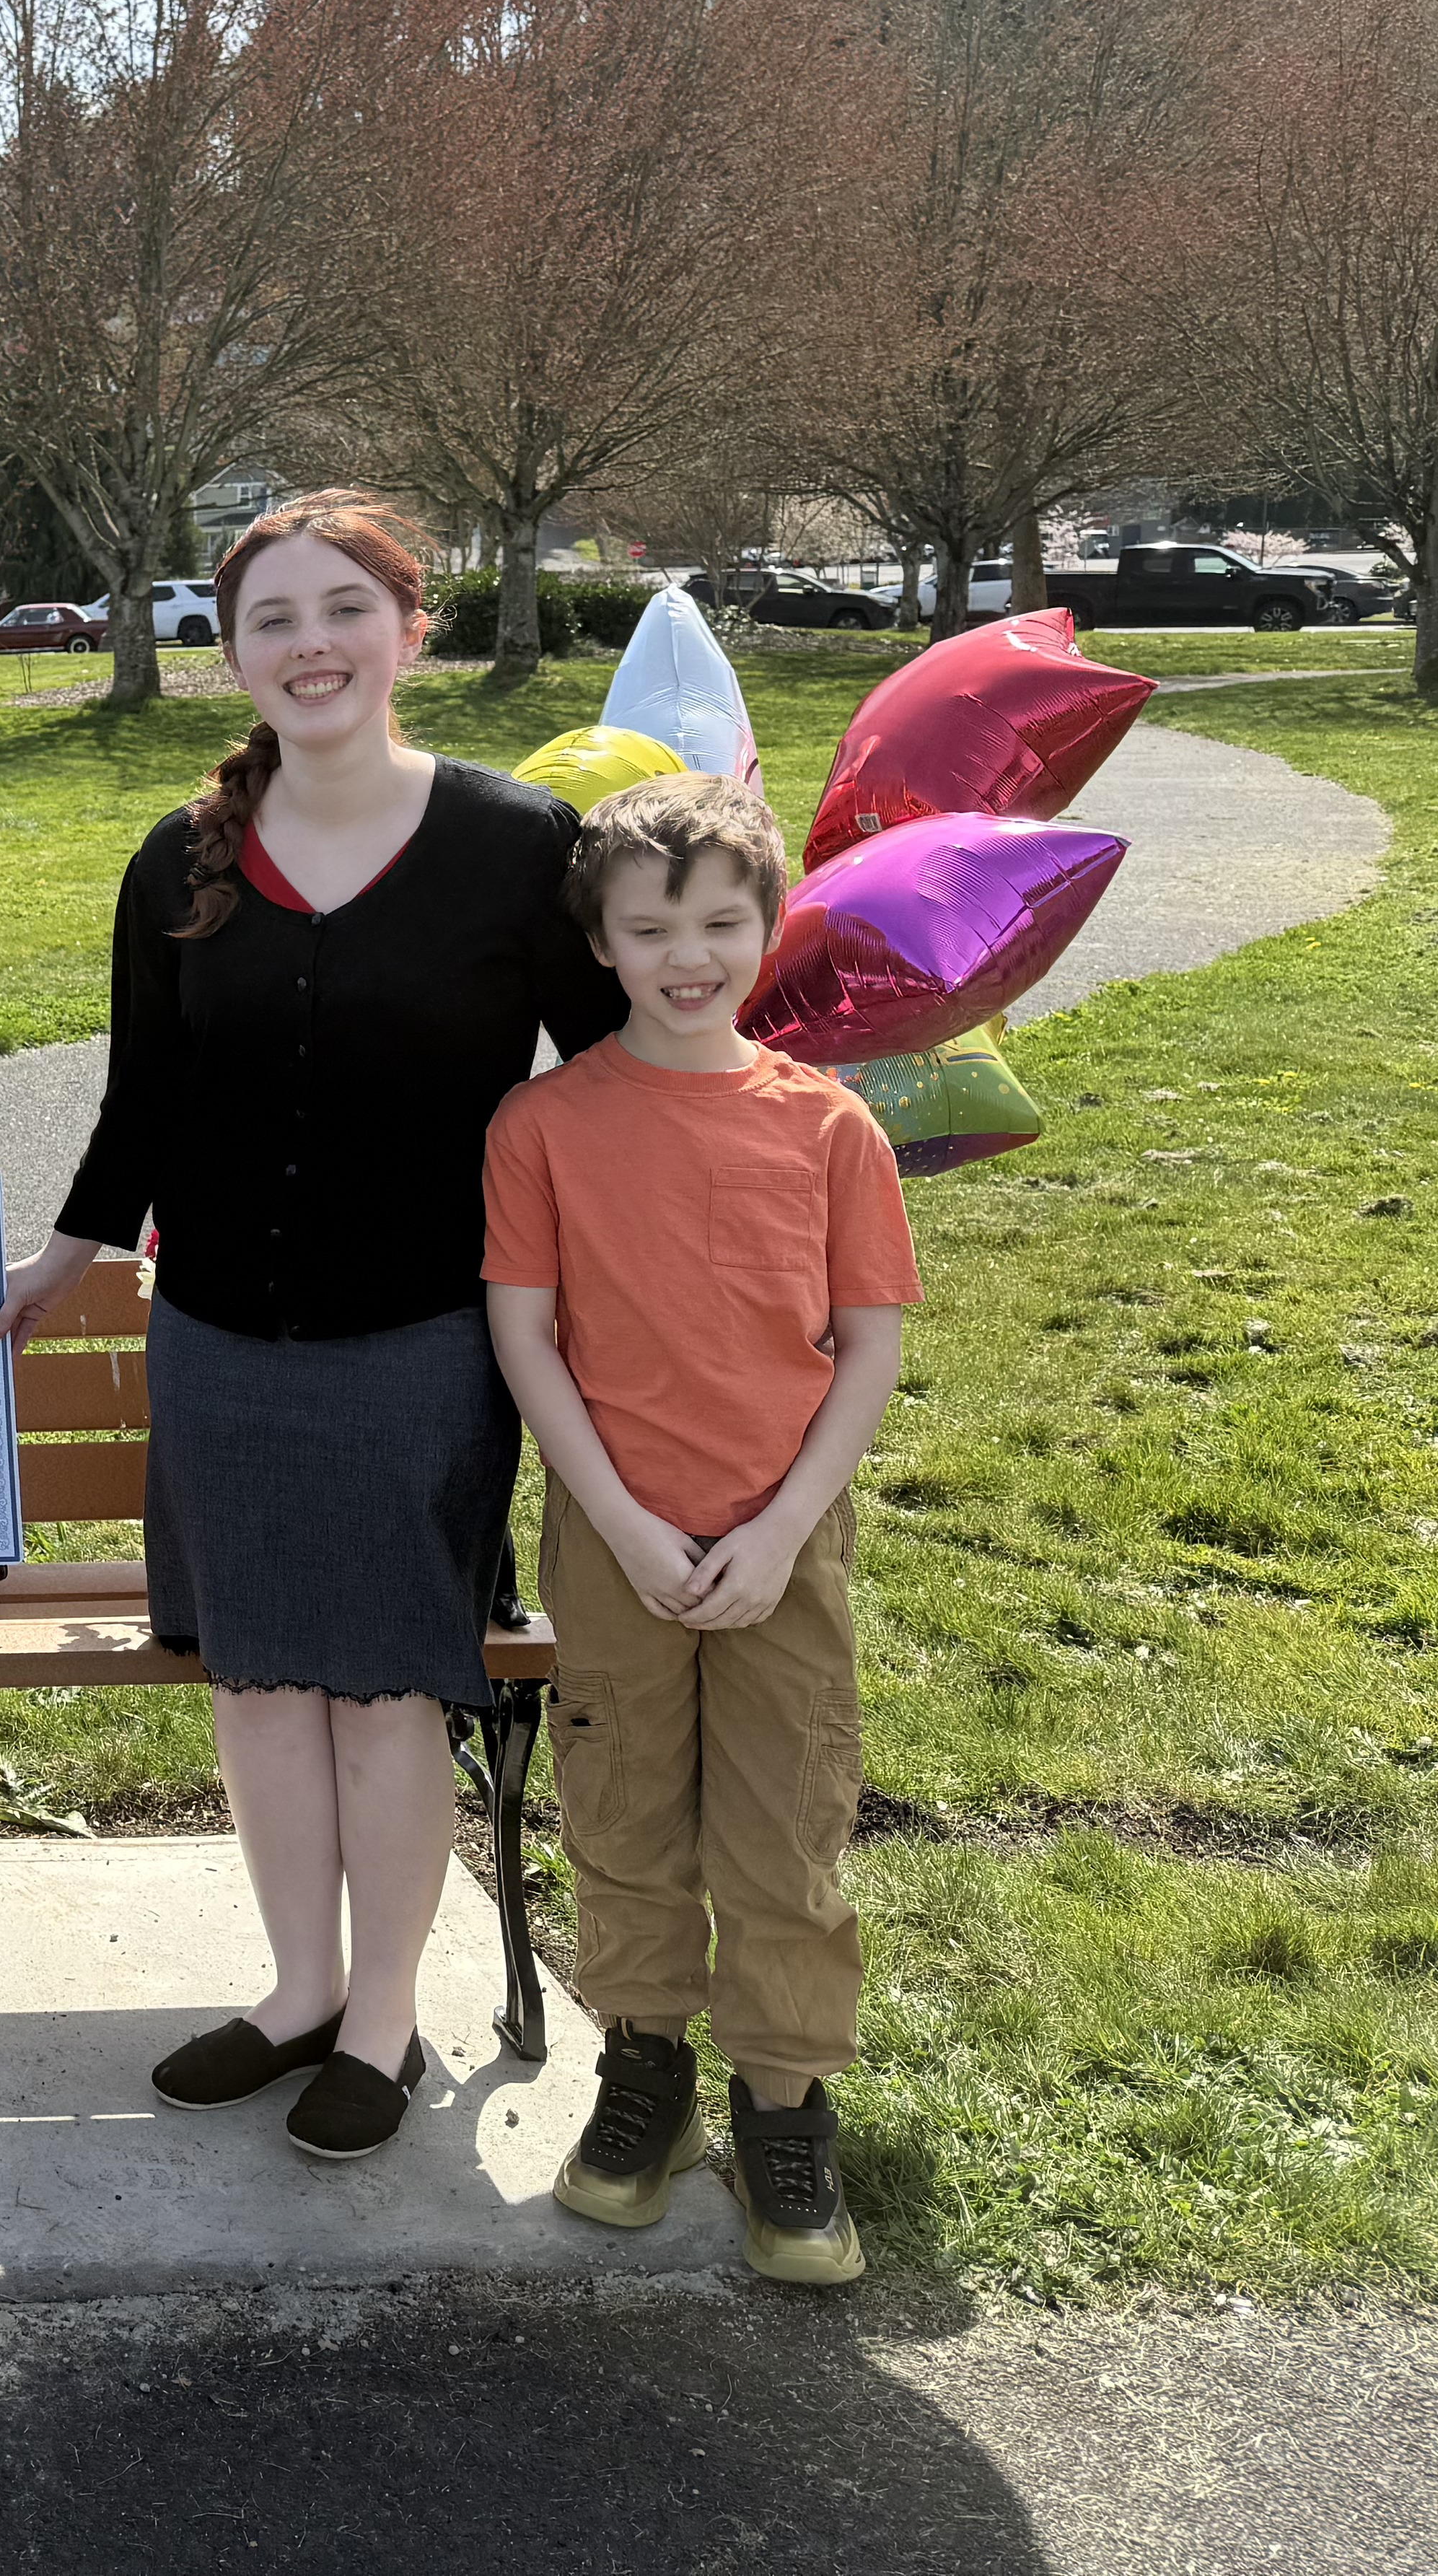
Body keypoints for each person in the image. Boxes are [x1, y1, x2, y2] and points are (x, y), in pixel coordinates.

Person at [0, 494, 629, 2162]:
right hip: (216, 1339)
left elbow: (617, 1088)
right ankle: (292, 1992)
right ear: (233, 652)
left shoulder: (516, 846)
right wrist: (60, 1261)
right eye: (270, 618)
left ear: (411, 630)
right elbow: (143, 1099)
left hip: (420, 1346)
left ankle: (384, 2017)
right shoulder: (177, 857)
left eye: (345, 608)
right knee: (262, 1685)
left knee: (384, 1694)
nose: (310, 644)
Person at [482, 774, 918, 2284]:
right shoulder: (542, 1128)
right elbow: (528, 1341)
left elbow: (869, 1345)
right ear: (598, 942)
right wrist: (623, 1521)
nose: (689, 953)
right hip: (617, 1540)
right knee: (624, 1814)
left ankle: (785, 2107)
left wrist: (787, 1525)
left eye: (721, 921)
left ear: (767, 926)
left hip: (784, 1542)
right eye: (651, 924)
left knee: (787, 1824)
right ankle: (648, 2077)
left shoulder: (830, 1129)